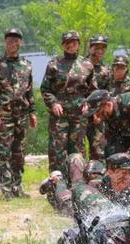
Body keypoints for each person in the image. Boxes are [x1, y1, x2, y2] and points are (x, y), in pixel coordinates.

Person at [0, 27, 38, 200]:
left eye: (16, 40)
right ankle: (5, 189)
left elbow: (29, 91)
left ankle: (17, 186)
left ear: (20, 42)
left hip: (21, 115)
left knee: (19, 152)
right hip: (4, 114)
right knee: (3, 152)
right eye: (9, 40)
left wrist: (32, 112)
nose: (12, 43)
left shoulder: (26, 65)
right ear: (5, 42)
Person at [40, 30, 96, 180]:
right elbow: (45, 89)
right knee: (57, 149)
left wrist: (88, 103)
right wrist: (53, 103)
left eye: (74, 42)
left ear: (78, 44)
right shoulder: (54, 64)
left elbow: (93, 91)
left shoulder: (87, 65)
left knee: (77, 149)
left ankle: (77, 181)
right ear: (63, 45)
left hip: (79, 115)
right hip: (60, 115)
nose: (71, 45)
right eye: (67, 43)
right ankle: (57, 183)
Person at [84, 89, 130, 160]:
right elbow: (110, 141)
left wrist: (128, 154)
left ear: (108, 104)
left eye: (98, 112)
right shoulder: (108, 116)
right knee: (113, 155)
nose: (96, 118)